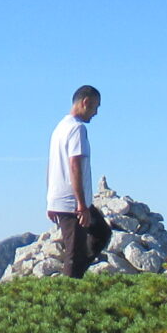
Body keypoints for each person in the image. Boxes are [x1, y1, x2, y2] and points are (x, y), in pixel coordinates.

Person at [45, 84, 109, 277]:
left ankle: (78, 274)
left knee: (102, 232)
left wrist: (50, 201)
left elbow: (52, 166)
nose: (96, 112)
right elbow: (75, 165)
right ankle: (70, 286)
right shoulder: (77, 128)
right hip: (72, 203)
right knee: (74, 253)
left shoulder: (60, 128)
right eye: (95, 106)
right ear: (85, 102)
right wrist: (81, 205)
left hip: (63, 199)